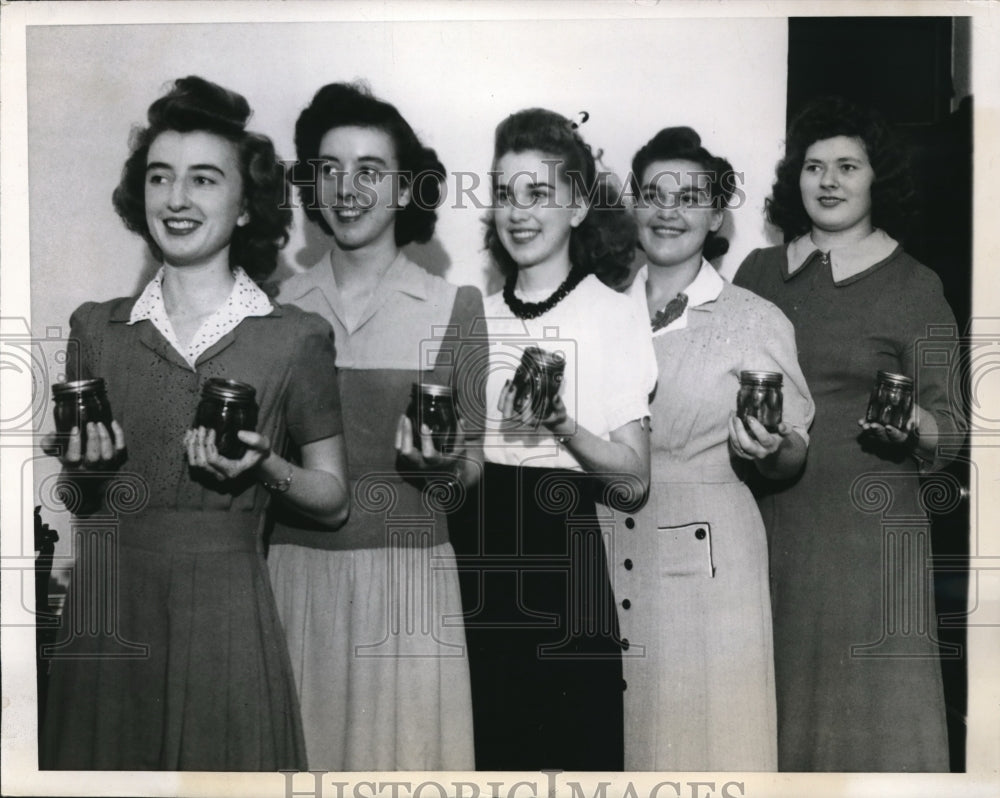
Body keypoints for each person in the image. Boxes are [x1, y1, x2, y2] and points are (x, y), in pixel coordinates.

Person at [40, 75, 349, 771]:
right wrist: (83, 471)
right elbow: (82, 495)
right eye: (160, 177)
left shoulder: (294, 337)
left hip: (227, 620)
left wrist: (268, 467)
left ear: (245, 208)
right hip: (107, 612)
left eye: (204, 180)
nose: (177, 199)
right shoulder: (98, 327)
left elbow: (333, 499)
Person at [733, 96, 962, 772]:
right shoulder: (757, 274)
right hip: (768, 526)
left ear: (875, 179)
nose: (828, 181)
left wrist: (910, 425)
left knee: (869, 728)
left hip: (870, 537)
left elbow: (951, 431)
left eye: (848, 166)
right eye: (813, 166)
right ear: (793, 179)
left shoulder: (916, 286)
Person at [268, 82, 483, 771]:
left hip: (411, 585)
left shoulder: (457, 306)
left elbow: (474, 457)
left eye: (369, 171)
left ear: (404, 190)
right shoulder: (272, 308)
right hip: (295, 579)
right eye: (328, 169)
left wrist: (448, 466)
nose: (346, 188)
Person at [460, 108, 655, 771]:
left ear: (575, 206)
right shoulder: (474, 316)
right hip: (474, 551)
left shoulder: (612, 312)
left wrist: (561, 424)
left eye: (538, 193)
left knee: (569, 759)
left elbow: (633, 480)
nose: (518, 212)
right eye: (506, 193)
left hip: (561, 557)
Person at [618, 127, 814, 771]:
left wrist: (770, 447)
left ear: (716, 212)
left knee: (704, 739)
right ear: (632, 204)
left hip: (709, 562)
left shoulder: (754, 319)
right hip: (604, 547)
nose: (668, 210)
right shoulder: (597, 311)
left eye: (689, 196)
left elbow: (792, 452)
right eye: (653, 194)